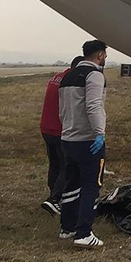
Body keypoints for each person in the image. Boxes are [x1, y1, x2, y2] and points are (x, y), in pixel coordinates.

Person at [58, 40, 108, 248]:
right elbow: (94, 105)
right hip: (88, 141)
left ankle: (67, 228)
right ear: (100, 55)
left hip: (68, 138)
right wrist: (99, 133)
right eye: (105, 54)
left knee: (71, 184)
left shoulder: (67, 76)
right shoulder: (94, 75)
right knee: (90, 187)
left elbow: (62, 110)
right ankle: (84, 233)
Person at [39, 56, 84, 216]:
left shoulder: (56, 77)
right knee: (67, 165)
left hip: (46, 127)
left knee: (55, 164)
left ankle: (52, 195)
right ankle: (55, 199)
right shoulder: (71, 80)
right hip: (60, 129)